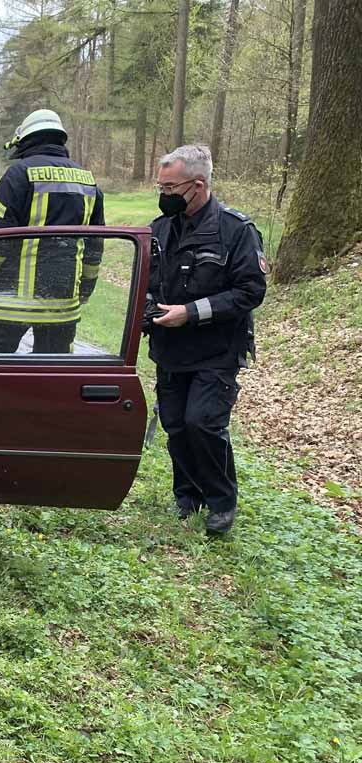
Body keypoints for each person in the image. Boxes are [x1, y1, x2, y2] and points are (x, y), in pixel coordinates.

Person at [146, 144, 266, 535]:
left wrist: (191, 313)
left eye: (170, 187)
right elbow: (144, 282)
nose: (163, 195)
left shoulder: (237, 231)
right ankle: (187, 497)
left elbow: (250, 291)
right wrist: (149, 309)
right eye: (159, 187)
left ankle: (220, 502)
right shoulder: (158, 230)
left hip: (217, 350)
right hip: (170, 349)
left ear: (197, 186)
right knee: (176, 424)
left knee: (203, 423)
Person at [0, 108, 104, 354]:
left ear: (27, 139)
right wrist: (86, 288)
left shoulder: (19, 174)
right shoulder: (87, 181)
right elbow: (95, 245)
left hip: (10, 305)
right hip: (61, 306)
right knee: (52, 379)